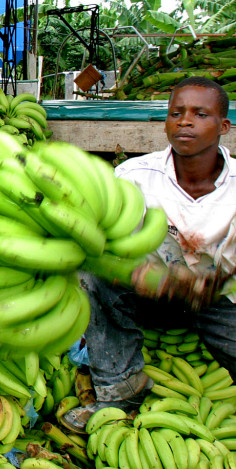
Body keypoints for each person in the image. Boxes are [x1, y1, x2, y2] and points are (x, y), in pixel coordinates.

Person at [62, 76, 236, 433]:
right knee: (91, 274)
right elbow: (101, 238)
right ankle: (119, 387)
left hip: (218, 299)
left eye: (200, 114)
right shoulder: (134, 177)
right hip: (147, 294)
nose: (185, 121)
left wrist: (210, 281)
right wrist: (129, 268)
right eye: (176, 113)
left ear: (224, 126)